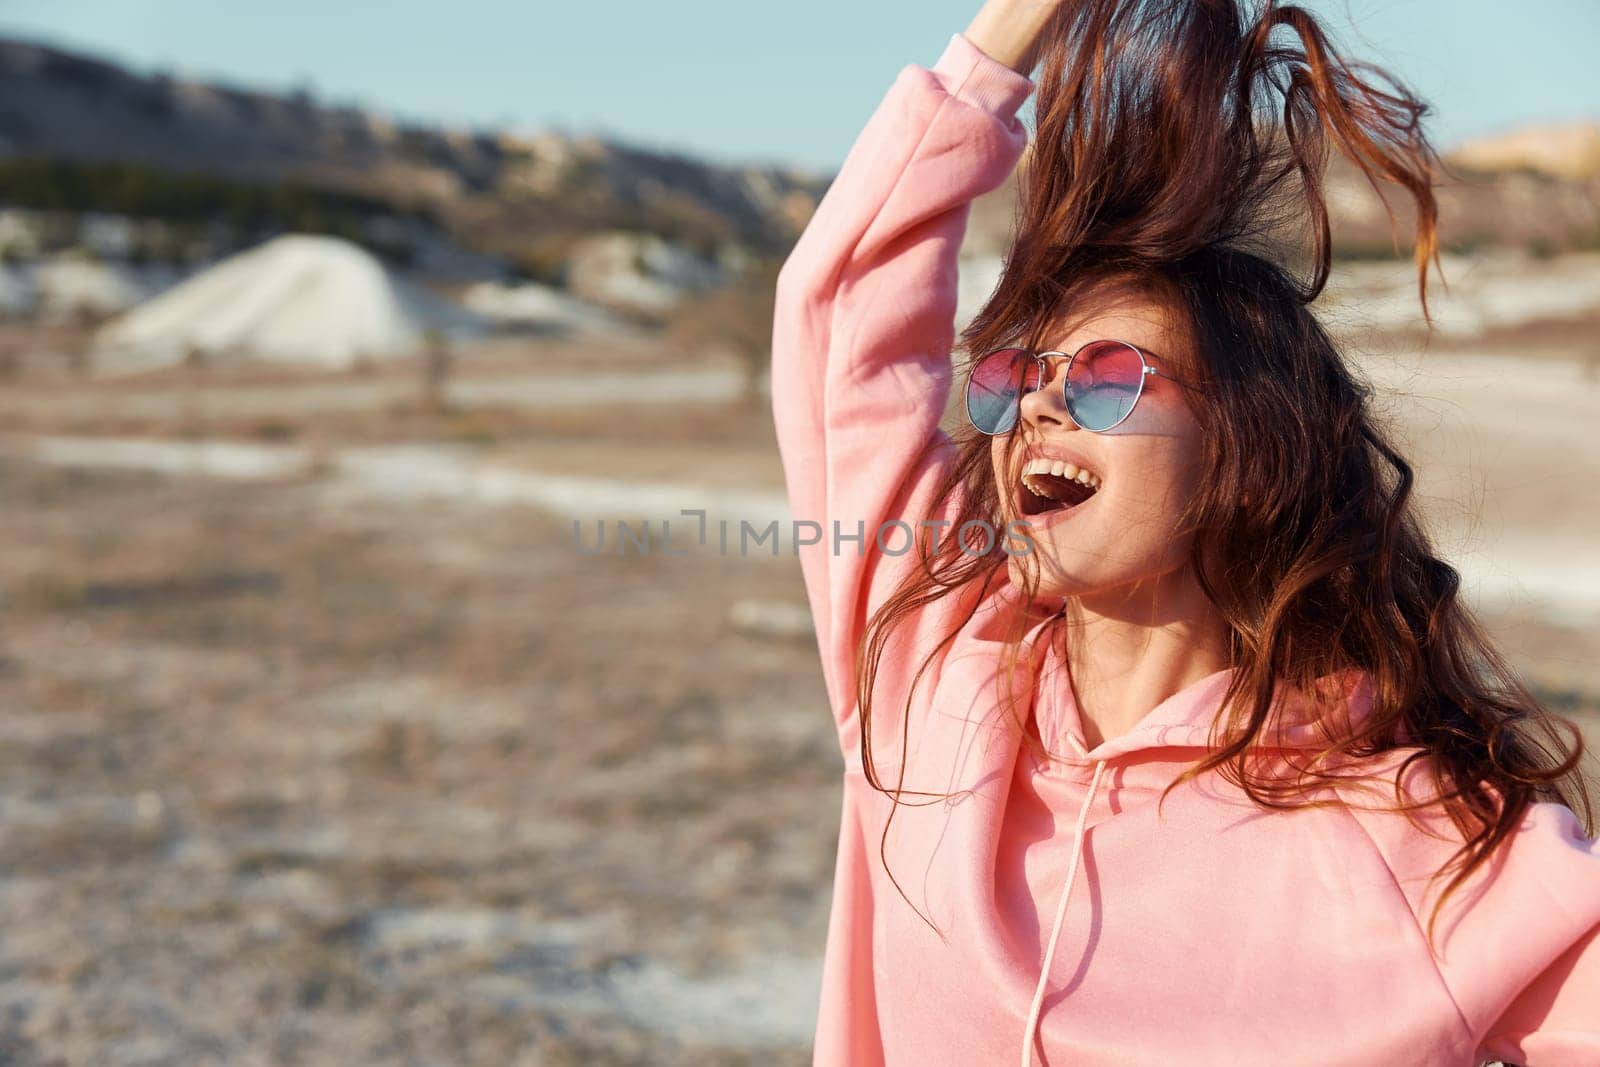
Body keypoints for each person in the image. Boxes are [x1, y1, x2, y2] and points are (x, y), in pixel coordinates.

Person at [767, 0, 1600, 1063]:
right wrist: (1007, 34)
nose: (1037, 406)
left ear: (1247, 446)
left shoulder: (1428, 845)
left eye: (1108, 377)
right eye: (1019, 376)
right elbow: (839, 317)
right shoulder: (927, 673)